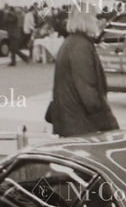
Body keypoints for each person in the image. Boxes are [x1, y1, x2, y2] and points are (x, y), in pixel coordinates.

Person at [48, 9, 119, 137]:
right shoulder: (81, 47)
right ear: (87, 20)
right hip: (80, 125)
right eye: (94, 16)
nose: (97, 20)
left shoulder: (71, 43)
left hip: (70, 121)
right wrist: (109, 123)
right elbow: (87, 91)